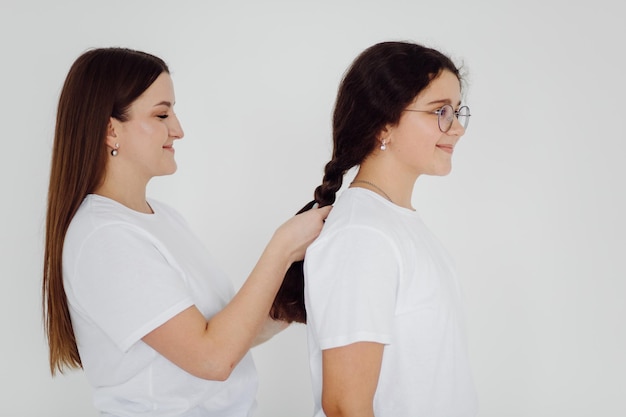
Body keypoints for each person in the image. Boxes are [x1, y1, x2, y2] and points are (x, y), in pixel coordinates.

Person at [42, 47, 330, 417]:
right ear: (111, 130)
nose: (177, 130)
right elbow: (212, 359)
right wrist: (281, 248)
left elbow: (226, 337)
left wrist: (292, 297)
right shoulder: (105, 239)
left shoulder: (161, 218)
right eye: (162, 114)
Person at [300, 41, 478, 416]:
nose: (457, 128)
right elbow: (345, 406)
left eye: (457, 111)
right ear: (384, 124)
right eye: (440, 111)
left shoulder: (391, 224)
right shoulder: (362, 235)